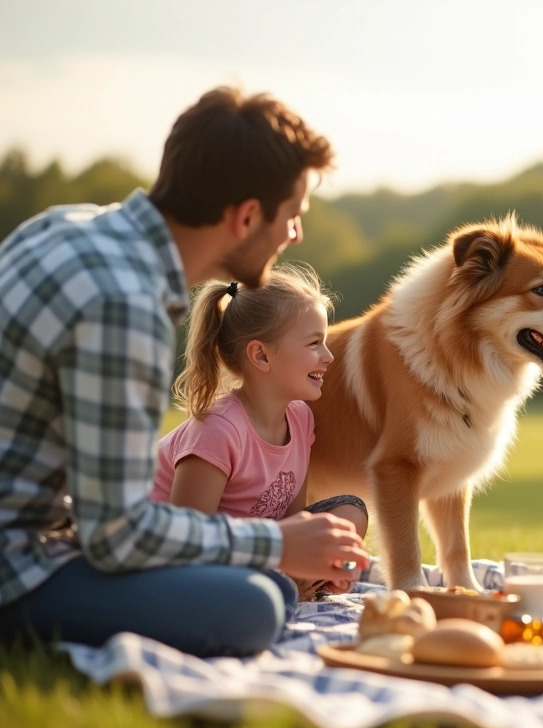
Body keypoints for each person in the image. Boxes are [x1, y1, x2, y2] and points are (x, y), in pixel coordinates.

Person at [0, 87, 370, 657]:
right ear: (247, 217)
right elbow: (119, 537)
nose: (294, 235)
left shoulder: (63, 227)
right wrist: (272, 542)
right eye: (292, 217)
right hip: (17, 567)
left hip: (44, 530)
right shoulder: (124, 303)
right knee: (253, 604)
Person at [151, 265, 369, 602]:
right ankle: (281, 587)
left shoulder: (300, 419)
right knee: (272, 589)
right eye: (314, 343)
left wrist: (322, 563)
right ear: (262, 355)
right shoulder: (217, 430)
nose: (328, 356)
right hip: (181, 560)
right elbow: (187, 540)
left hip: (260, 552)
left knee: (349, 514)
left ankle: (294, 586)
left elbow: (294, 519)